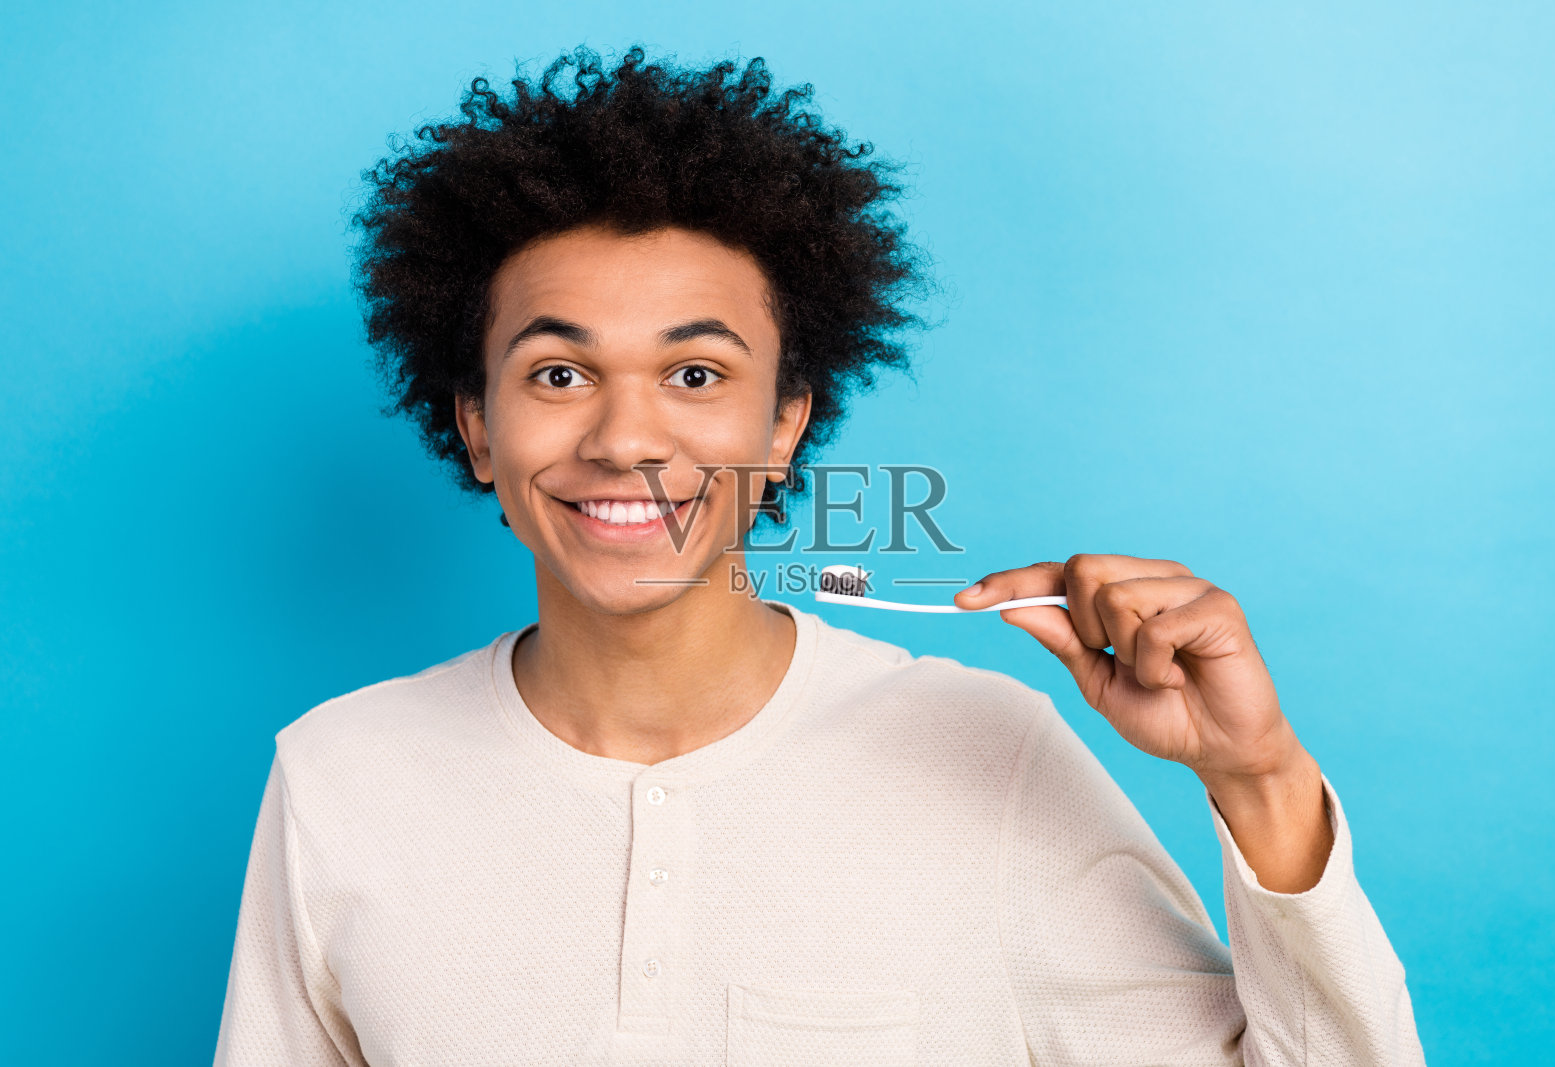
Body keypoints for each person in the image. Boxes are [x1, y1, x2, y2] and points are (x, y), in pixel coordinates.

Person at [213, 44, 1426, 1066]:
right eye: (557, 373)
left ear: (783, 422)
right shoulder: (338, 777)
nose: (626, 436)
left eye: (696, 374)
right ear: (477, 425)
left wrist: (1260, 778)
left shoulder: (983, 751)